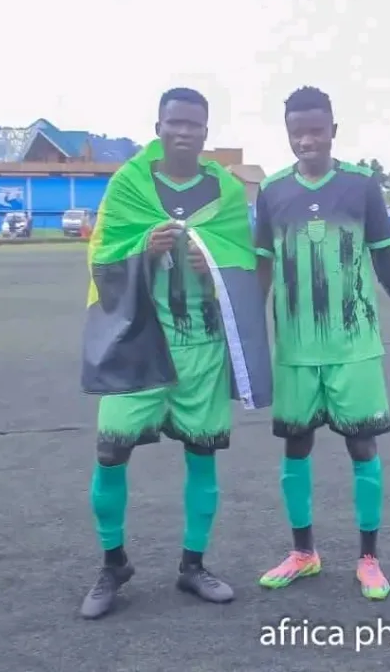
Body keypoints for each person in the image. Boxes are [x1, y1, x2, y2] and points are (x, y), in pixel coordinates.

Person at [77, 88, 272, 619]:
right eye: (175, 122)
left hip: (201, 344)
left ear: (206, 131)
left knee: (202, 451)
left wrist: (212, 264)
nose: (184, 131)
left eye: (195, 124)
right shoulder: (130, 185)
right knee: (111, 450)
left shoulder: (227, 192)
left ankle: (193, 566)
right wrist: (146, 248)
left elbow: (243, 262)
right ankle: (113, 563)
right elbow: (103, 252)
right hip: (139, 338)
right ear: (159, 125)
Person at [254, 86, 390, 601]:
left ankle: (369, 558)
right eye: (297, 132)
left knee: (363, 445)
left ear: (333, 130)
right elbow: (263, 265)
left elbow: (385, 261)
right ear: (287, 133)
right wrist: (248, 334)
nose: (307, 140)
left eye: (316, 130)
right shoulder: (271, 191)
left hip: (353, 345)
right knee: (296, 445)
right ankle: (303, 552)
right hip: (295, 347)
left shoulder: (360, 186)